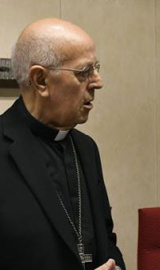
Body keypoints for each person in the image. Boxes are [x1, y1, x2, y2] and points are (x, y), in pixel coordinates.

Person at [0, 18, 125, 270]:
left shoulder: (86, 148)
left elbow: (106, 236)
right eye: (83, 72)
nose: (98, 82)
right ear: (41, 80)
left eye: (96, 68)